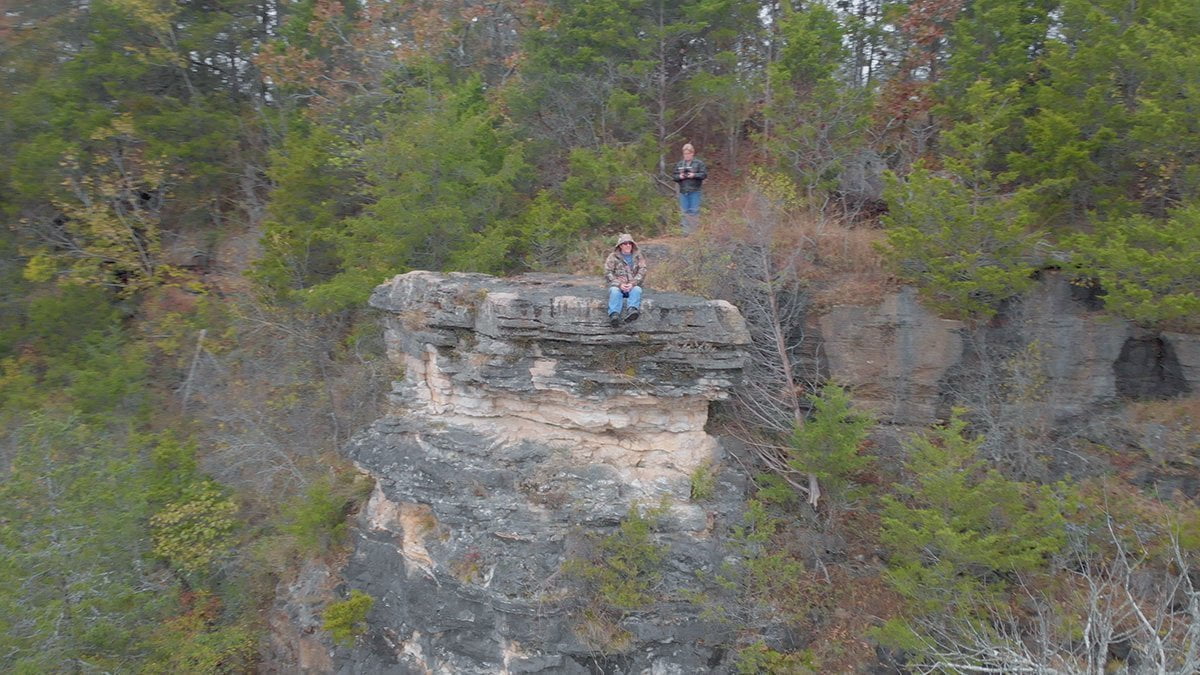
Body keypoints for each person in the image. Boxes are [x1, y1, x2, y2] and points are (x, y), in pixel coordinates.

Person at [604, 233, 647, 328]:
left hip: (633, 285)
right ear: (620, 246)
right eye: (625, 243)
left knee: (637, 290)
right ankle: (614, 315)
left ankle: (632, 310)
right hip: (617, 286)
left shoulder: (638, 256)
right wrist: (619, 284)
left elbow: (642, 271)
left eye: (629, 243)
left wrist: (633, 283)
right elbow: (608, 273)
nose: (628, 245)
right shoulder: (612, 257)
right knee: (614, 292)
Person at [672, 143, 707, 234]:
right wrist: (680, 176)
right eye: (685, 154)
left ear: (692, 153)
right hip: (683, 191)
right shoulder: (679, 164)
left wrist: (694, 175)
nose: (686, 155)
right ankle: (685, 232)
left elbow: (704, 174)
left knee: (694, 211)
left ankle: (694, 232)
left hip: (695, 190)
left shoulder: (699, 163)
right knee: (684, 212)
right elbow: (674, 176)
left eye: (688, 153)